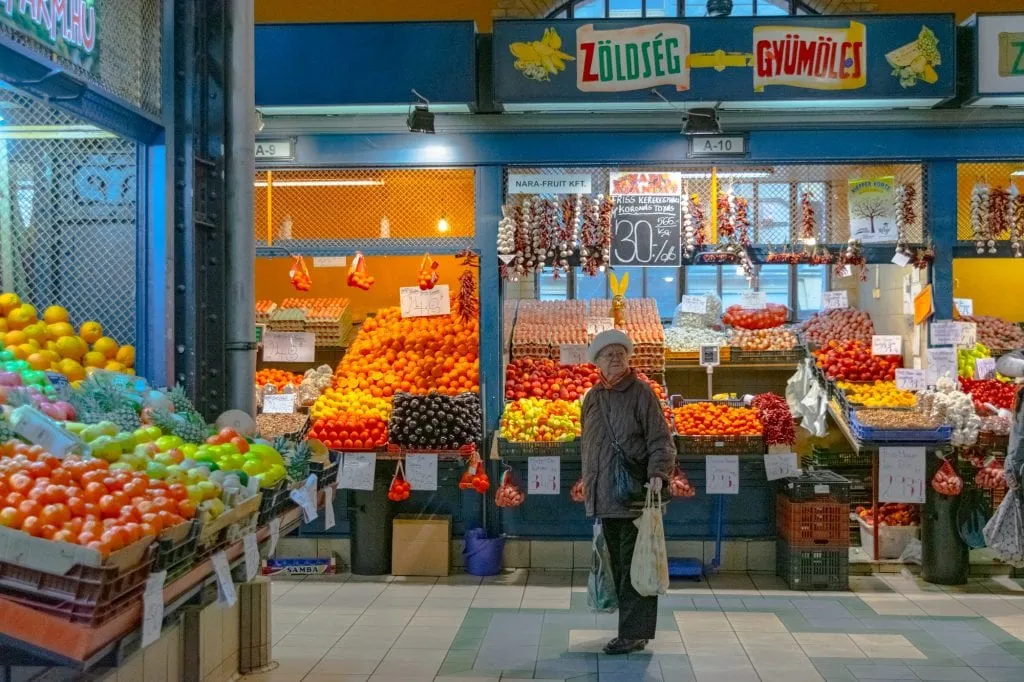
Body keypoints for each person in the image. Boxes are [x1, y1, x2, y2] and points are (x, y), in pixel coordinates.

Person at [580, 328, 675, 656]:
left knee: (636, 566)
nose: (616, 359)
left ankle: (633, 634)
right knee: (619, 567)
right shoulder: (592, 397)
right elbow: (589, 446)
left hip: (634, 495)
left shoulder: (641, 393)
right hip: (604, 497)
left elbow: (660, 439)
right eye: (609, 355)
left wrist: (658, 473)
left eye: (621, 353)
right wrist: (588, 486)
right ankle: (635, 629)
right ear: (598, 362)